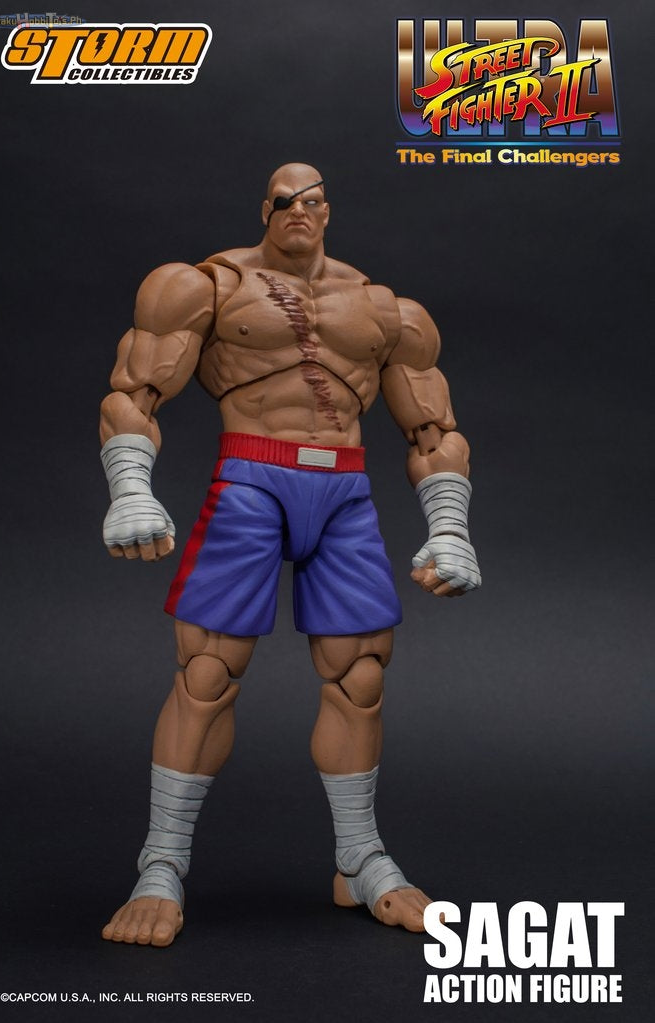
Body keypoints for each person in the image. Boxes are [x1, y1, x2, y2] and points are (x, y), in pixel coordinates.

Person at [99, 163, 481, 947]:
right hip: (252, 478)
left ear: (326, 210)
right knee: (207, 671)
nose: (296, 209)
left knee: (361, 674)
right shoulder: (206, 285)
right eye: (282, 200)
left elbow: (431, 429)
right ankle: (160, 863)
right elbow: (133, 393)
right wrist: (130, 486)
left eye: (309, 200)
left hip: (342, 491)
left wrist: (449, 526)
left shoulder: (385, 309)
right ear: (264, 209)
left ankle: (359, 859)